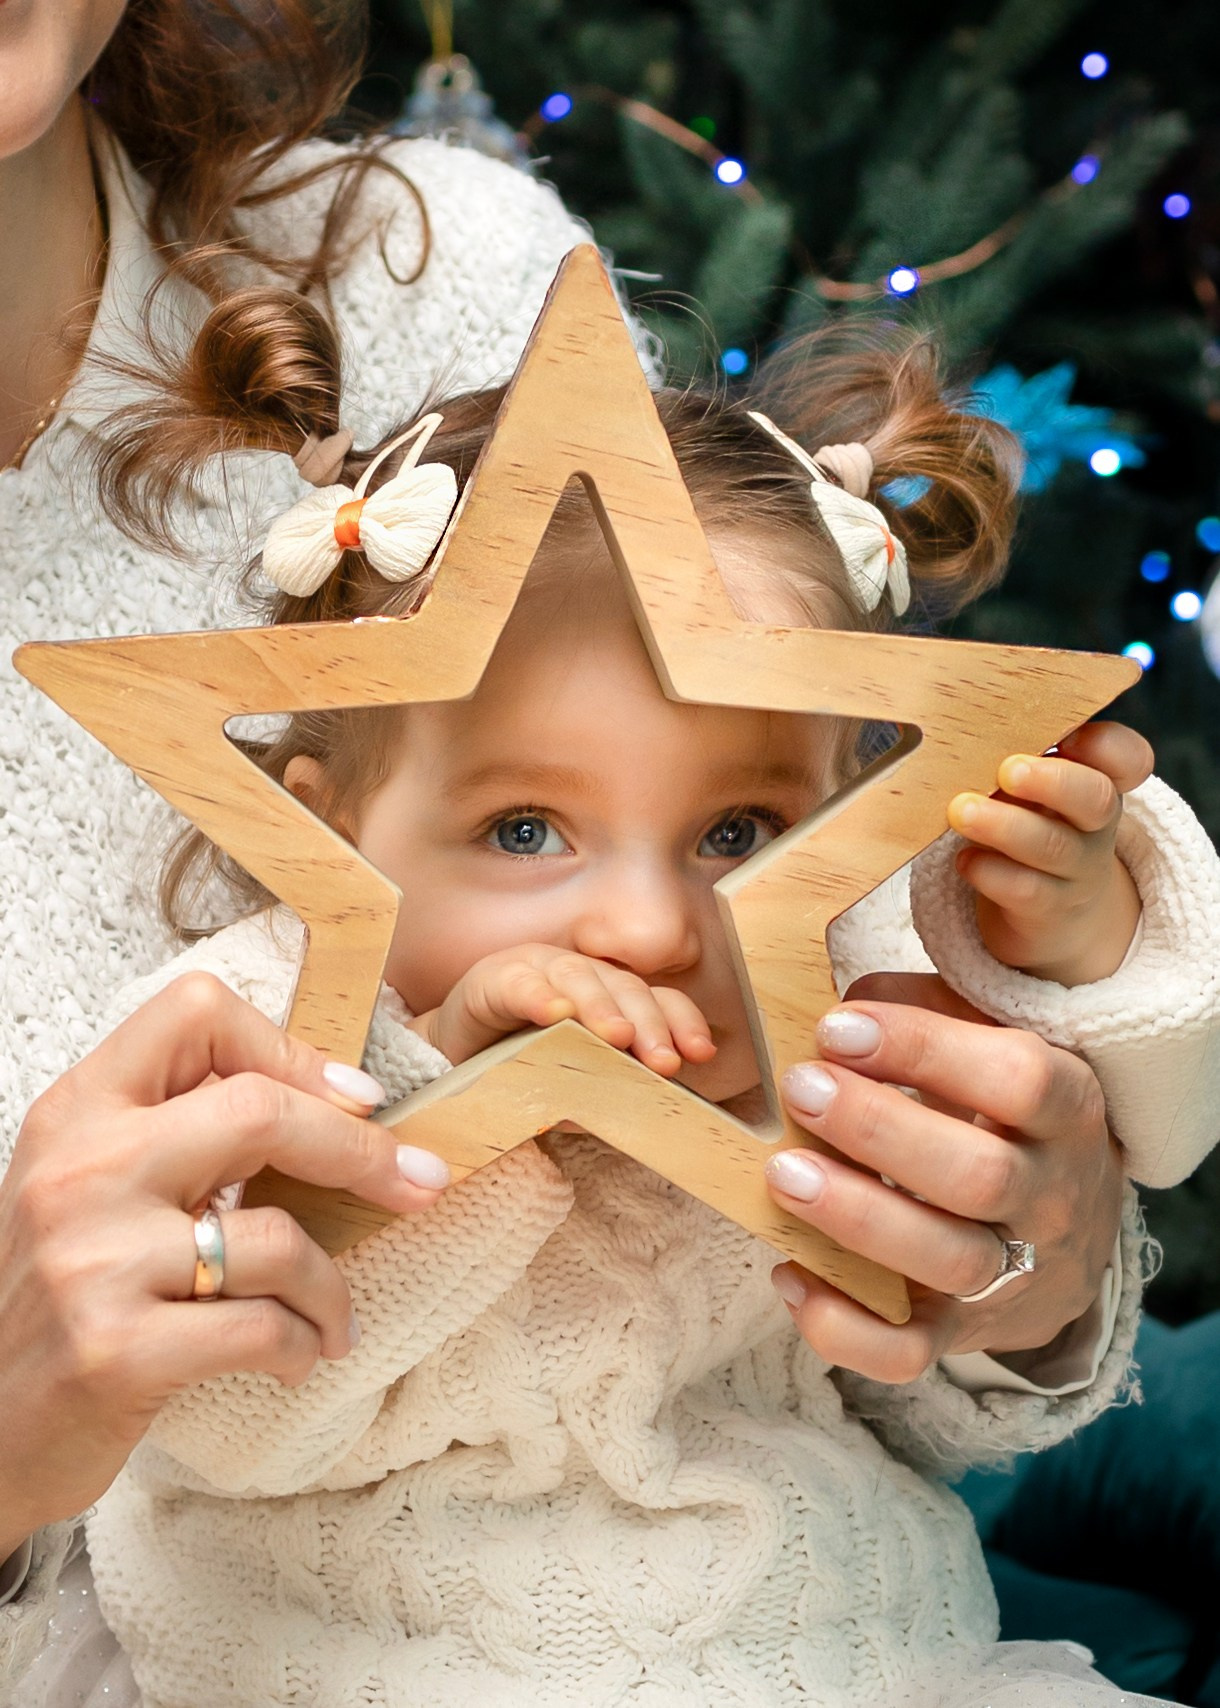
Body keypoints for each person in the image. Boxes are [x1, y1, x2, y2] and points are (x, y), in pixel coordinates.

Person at [1, 4, 1214, 1701]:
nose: (651, 915)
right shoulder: (262, 1043)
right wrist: (448, 1119)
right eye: (521, 829)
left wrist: (1070, 934)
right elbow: (194, 1432)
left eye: (735, 831)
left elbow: (986, 1313)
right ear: (328, 821)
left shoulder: (797, 996)